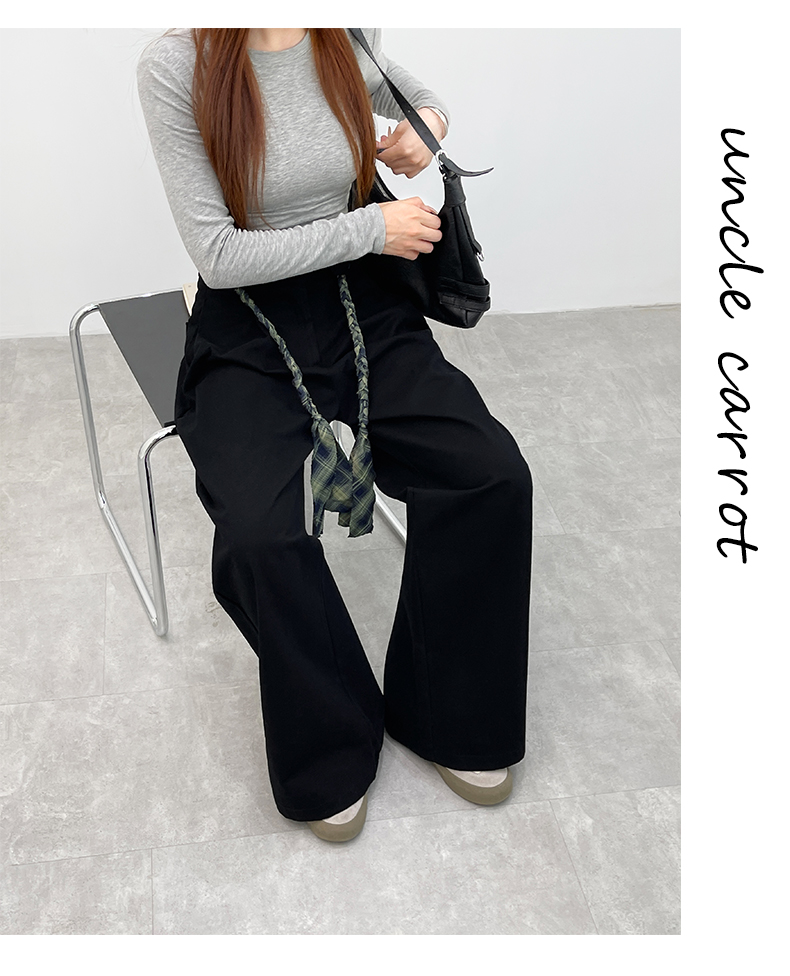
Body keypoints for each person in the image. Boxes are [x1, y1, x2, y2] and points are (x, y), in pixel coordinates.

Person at [136, 27, 533, 843]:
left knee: (489, 473)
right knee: (260, 535)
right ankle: (332, 734)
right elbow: (219, 255)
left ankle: (448, 711)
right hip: (244, 322)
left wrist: (427, 128)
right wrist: (373, 230)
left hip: (363, 305)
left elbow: (420, 99)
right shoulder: (176, 65)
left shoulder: (342, 29)